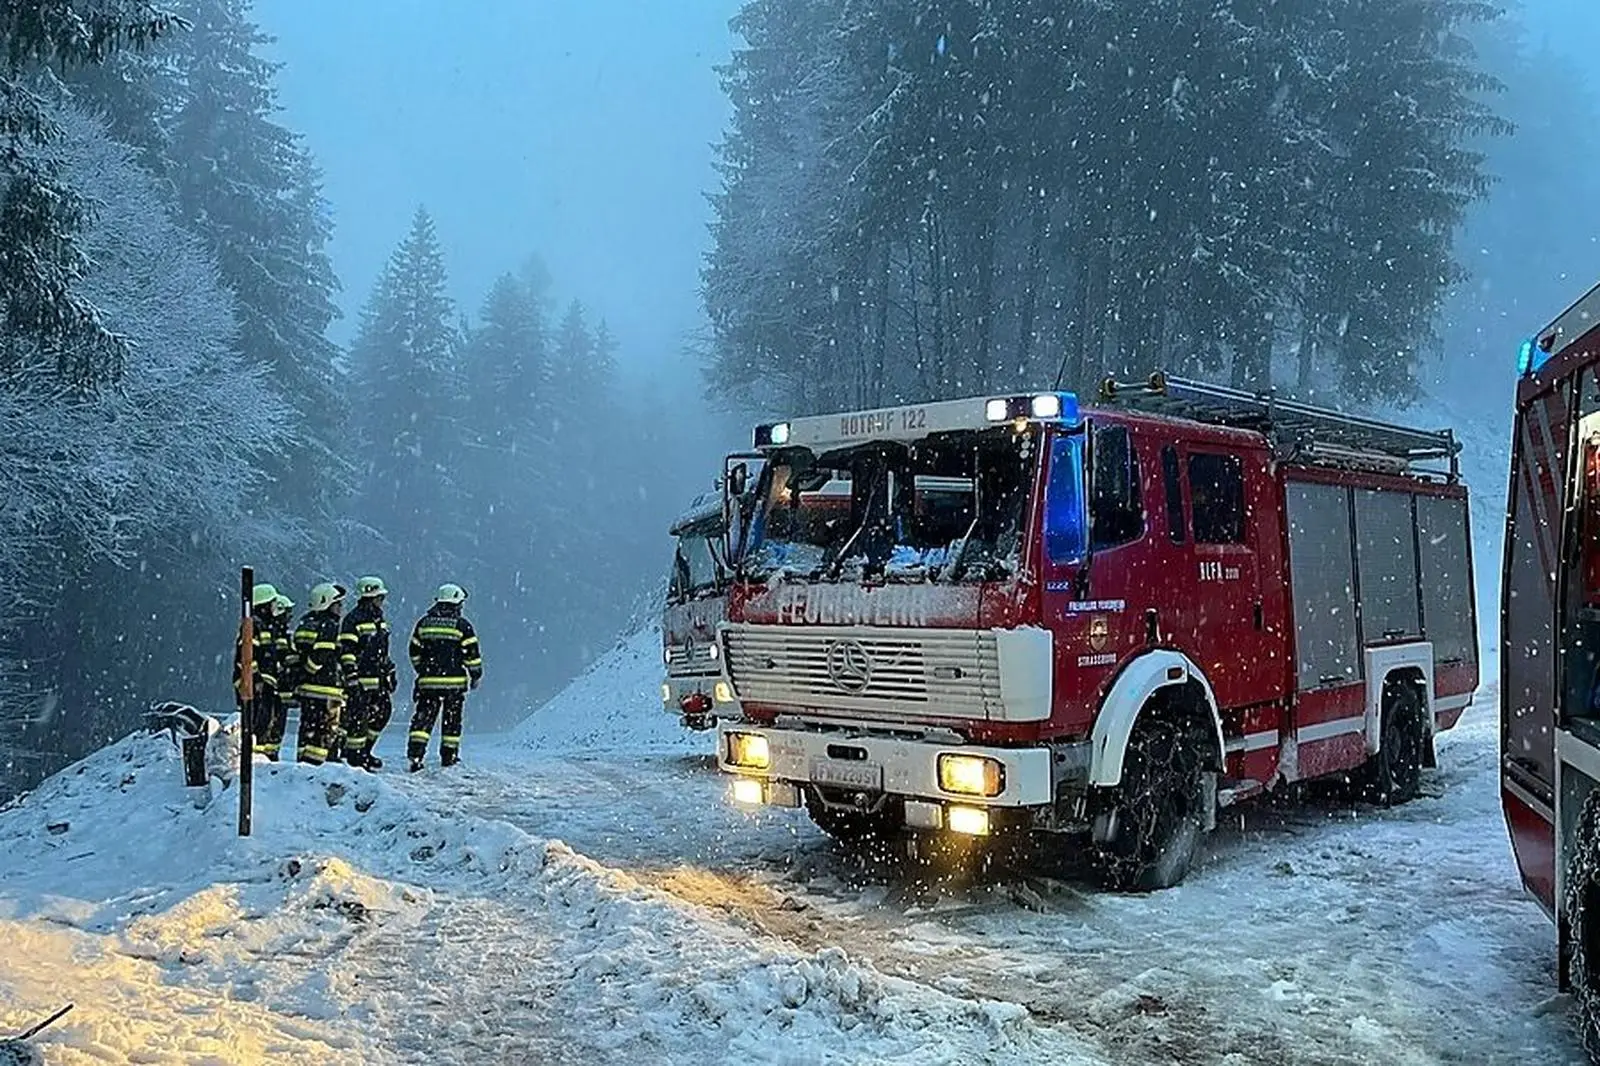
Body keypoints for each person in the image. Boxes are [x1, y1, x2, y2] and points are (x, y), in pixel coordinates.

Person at [406, 583, 483, 772]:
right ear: (457, 603)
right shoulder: (462, 625)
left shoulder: (424, 623)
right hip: (454, 685)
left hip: (428, 683)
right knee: (452, 721)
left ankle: (415, 756)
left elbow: (414, 651)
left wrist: (423, 670)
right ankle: (449, 757)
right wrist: (475, 675)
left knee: (422, 721)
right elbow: (471, 655)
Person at [338, 576, 397, 769]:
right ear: (370, 597)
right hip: (361, 680)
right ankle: (354, 757)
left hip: (378, 680)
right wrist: (352, 678)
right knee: (358, 719)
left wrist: (390, 670)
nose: (382, 600)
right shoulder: (353, 620)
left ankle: (365, 751)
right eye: (380, 597)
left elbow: (382, 650)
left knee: (383, 713)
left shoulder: (379, 619)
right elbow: (347, 651)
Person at [291, 582, 349, 766]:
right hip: (326, 689)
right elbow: (322, 654)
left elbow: (296, 653)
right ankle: (319, 768)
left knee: (307, 729)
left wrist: (302, 675)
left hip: (307, 690)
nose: (340, 608)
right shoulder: (330, 625)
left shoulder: (305, 623)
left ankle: (303, 764)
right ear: (326, 603)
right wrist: (311, 670)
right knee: (326, 731)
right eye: (337, 604)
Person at [233, 582, 282, 759]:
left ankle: (261, 759)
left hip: (263, 686)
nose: (274, 609)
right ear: (264, 606)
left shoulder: (264, 626)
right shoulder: (254, 625)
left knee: (265, 725)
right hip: (255, 688)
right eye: (272, 604)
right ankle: (255, 761)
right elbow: (246, 656)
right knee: (257, 726)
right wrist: (256, 680)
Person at [258, 591, 296, 760]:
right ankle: (264, 757)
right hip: (272, 688)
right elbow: (279, 658)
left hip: (278, 688)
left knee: (276, 725)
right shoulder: (274, 633)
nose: (289, 617)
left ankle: (271, 755)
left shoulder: (280, 632)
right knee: (267, 723)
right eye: (287, 612)